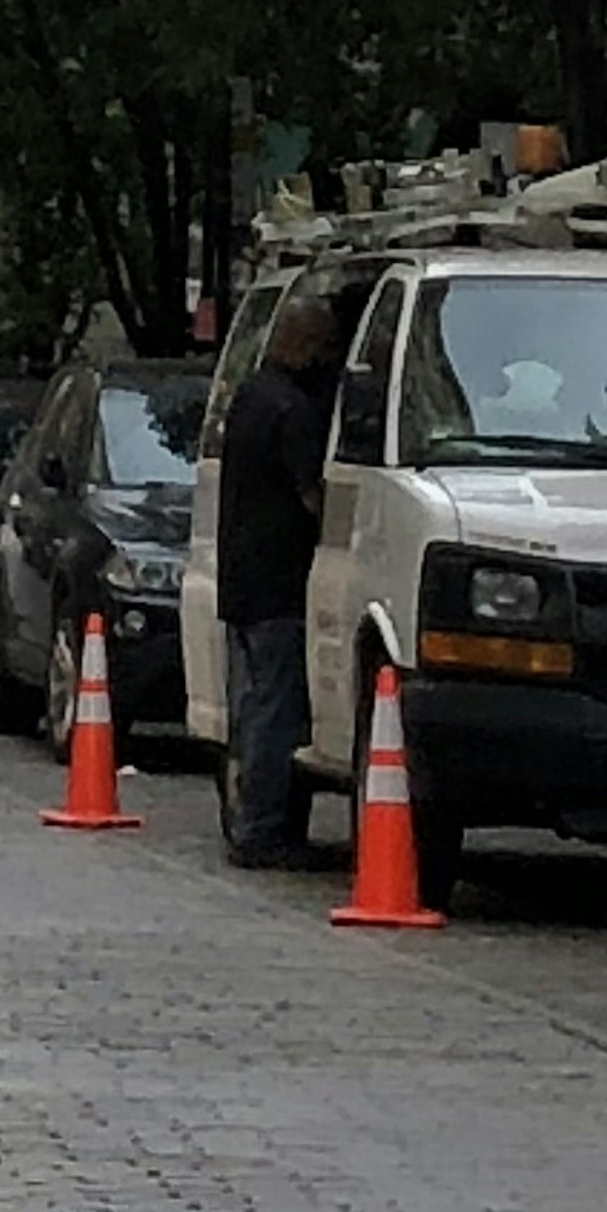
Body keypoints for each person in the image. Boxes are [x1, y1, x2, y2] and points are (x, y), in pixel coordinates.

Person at [216, 286, 341, 868]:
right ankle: (263, 829)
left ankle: (248, 816)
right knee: (275, 709)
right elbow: (312, 497)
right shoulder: (293, 411)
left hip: (241, 578)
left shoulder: (250, 396)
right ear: (306, 344)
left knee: (251, 704)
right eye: (321, 344)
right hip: (279, 583)